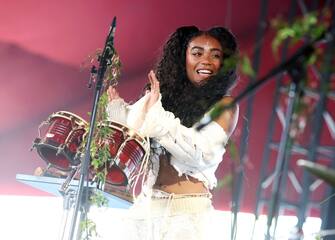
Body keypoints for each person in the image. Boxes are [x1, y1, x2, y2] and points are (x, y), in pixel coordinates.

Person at [105, 25, 239, 240]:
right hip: (146, 206)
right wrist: (118, 113)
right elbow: (132, 134)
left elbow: (200, 153)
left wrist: (155, 113)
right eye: (197, 53)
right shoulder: (163, 98)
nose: (206, 61)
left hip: (187, 213)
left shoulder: (225, 105)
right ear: (182, 58)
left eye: (215, 56)